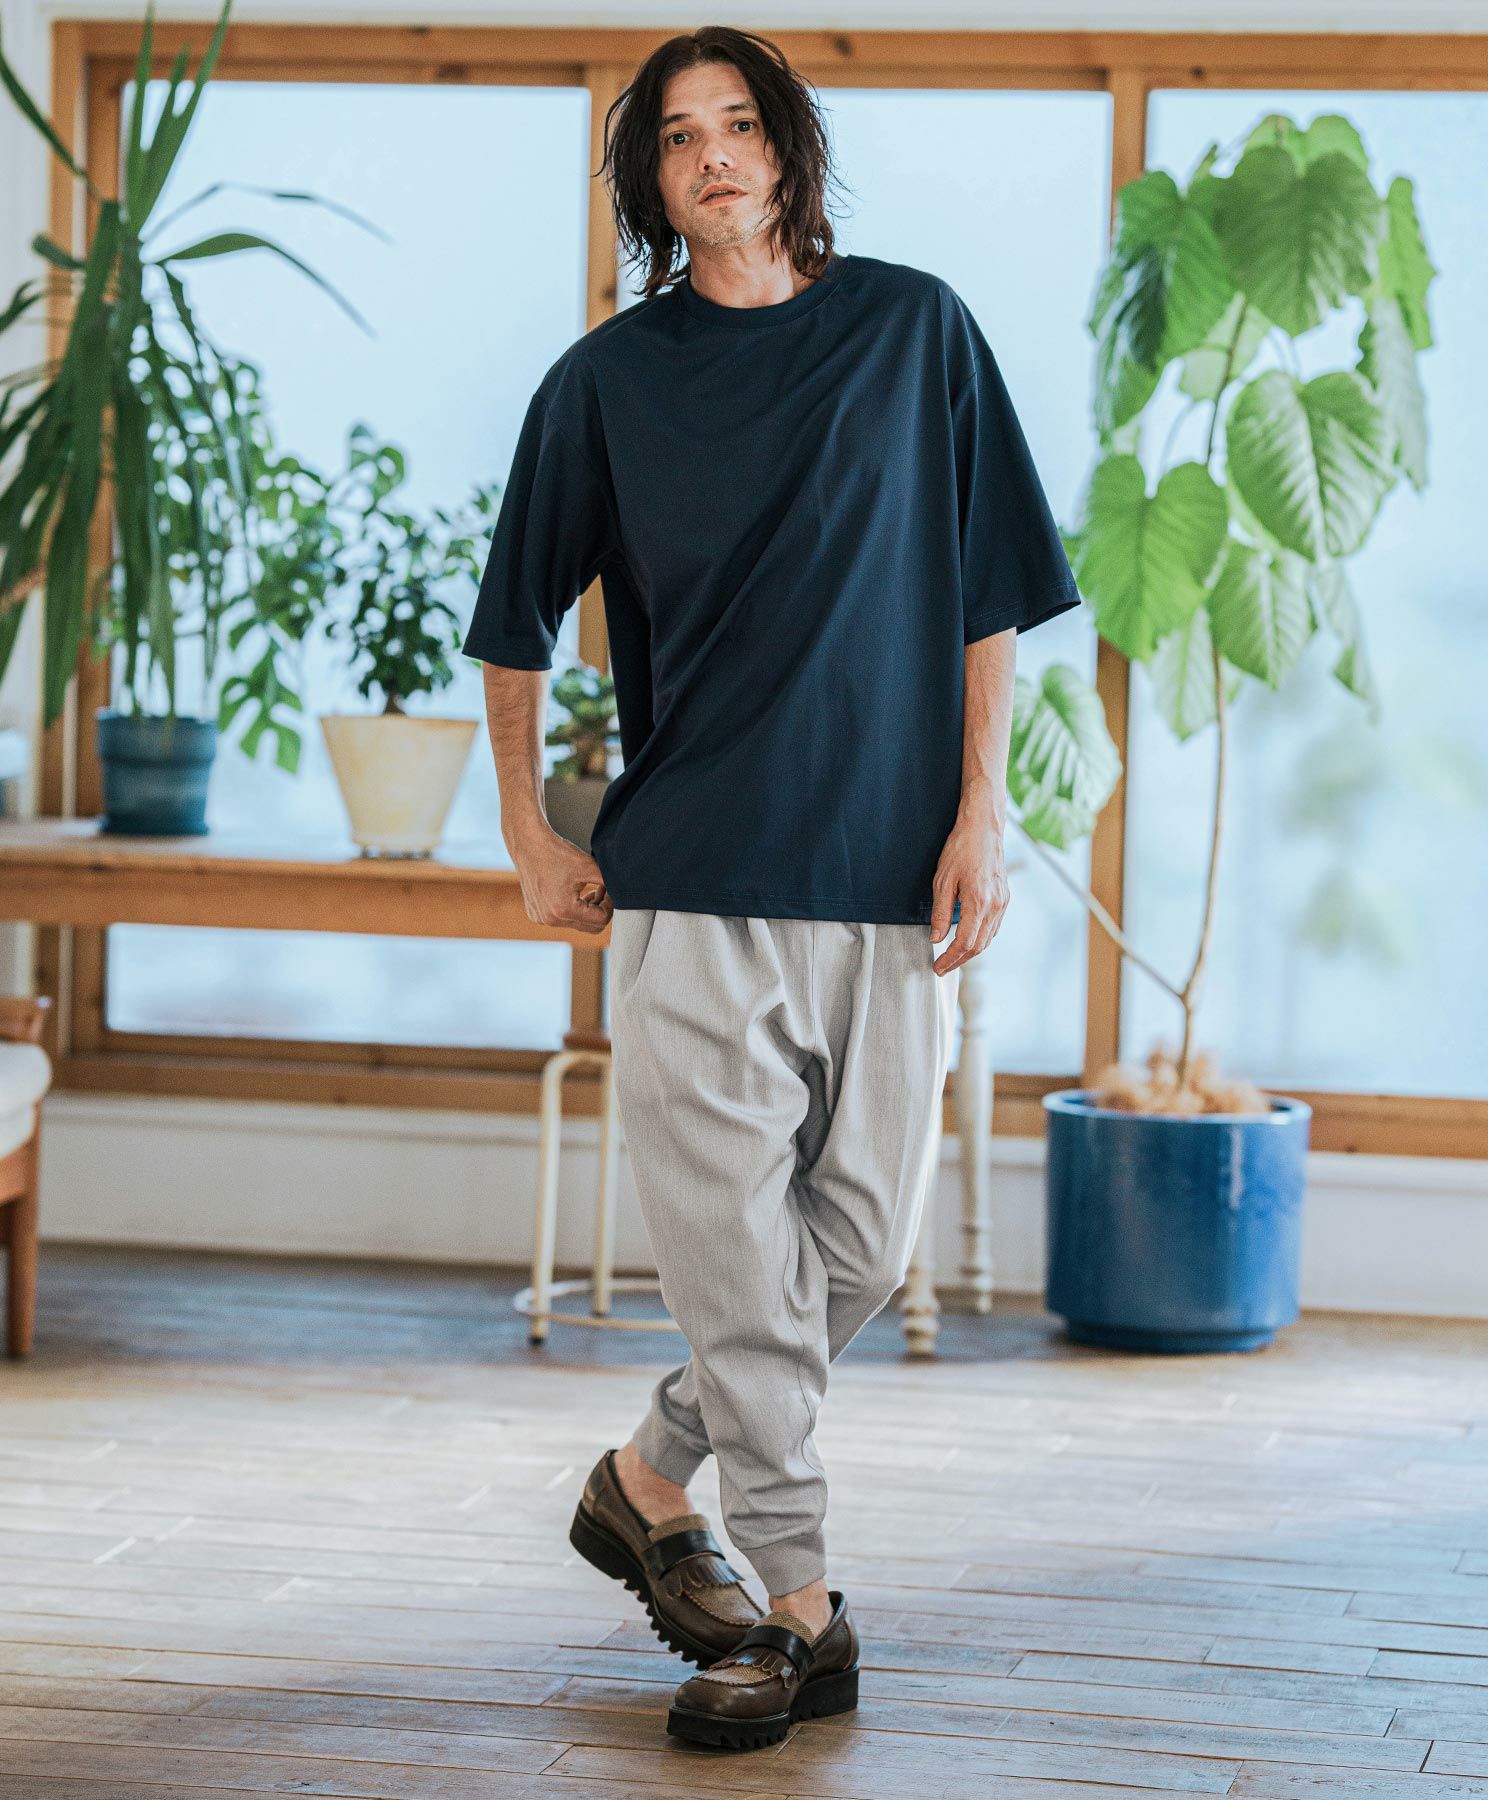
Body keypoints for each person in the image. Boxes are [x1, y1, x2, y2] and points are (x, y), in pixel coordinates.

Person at [463, 24, 1081, 1752]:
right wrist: (527, 830)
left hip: (887, 876)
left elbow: (991, 595)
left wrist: (981, 808)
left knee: (857, 1248)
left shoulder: (916, 332)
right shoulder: (607, 382)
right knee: (744, 1266)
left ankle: (650, 1473)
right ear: (651, 183)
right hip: (692, 882)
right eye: (679, 138)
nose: (715, 156)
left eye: (740, 124)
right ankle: (800, 1606)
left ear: (791, 149)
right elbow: (512, 620)